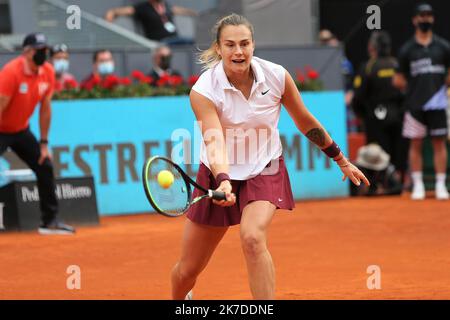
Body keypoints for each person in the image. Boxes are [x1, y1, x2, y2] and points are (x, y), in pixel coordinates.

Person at [171, 14, 369, 300]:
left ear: (253, 45)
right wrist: (224, 180)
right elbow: (214, 140)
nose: (238, 51)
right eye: (230, 45)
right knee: (187, 270)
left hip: (265, 167)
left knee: (252, 238)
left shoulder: (276, 76)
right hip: (219, 173)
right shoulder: (204, 89)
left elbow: (305, 121)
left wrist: (340, 158)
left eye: (245, 43)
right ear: (218, 49)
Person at [0, 33, 75, 234]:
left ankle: (49, 222)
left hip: (21, 130)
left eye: (45, 49)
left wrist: (43, 143)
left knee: (44, 165)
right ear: (27, 52)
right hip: (1, 130)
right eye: (38, 49)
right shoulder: (10, 73)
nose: (43, 53)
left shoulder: (48, 71)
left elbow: (45, 109)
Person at [393, 3, 450, 200]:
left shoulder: (443, 47)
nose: (425, 19)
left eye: (428, 15)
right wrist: (412, 87)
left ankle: (441, 184)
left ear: (432, 19)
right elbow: (398, 78)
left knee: (439, 143)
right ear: (414, 20)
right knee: (415, 144)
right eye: (421, 16)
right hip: (415, 104)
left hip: (439, 103)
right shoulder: (407, 50)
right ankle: (418, 185)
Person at [352, 31, 408, 185]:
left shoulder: (369, 67)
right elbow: (406, 90)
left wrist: (362, 115)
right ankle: (399, 181)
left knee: (377, 153)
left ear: (372, 47)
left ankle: (378, 184)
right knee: (399, 150)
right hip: (398, 115)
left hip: (375, 118)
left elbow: (358, 96)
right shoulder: (396, 64)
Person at [104, 0, 197, 45]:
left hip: (174, 39)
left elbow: (177, 10)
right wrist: (110, 15)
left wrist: (194, 13)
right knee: (190, 41)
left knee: (193, 41)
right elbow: (118, 11)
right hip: (160, 42)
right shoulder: (143, 7)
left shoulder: (165, 6)